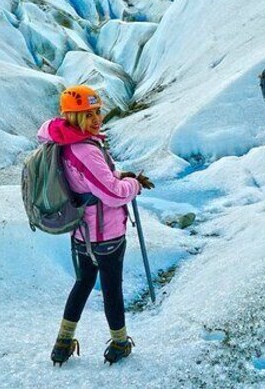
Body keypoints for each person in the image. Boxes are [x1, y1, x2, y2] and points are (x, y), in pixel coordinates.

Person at [38, 85, 153, 366]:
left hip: (82, 232)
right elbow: (112, 193)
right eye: (88, 114)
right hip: (106, 233)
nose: (96, 119)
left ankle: (63, 343)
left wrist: (116, 175)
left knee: (83, 283)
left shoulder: (63, 142)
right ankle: (119, 343)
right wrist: (133, 184)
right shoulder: (85, 149)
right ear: (73, 117)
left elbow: (91, 181)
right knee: (112, 288)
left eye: (98, 111)